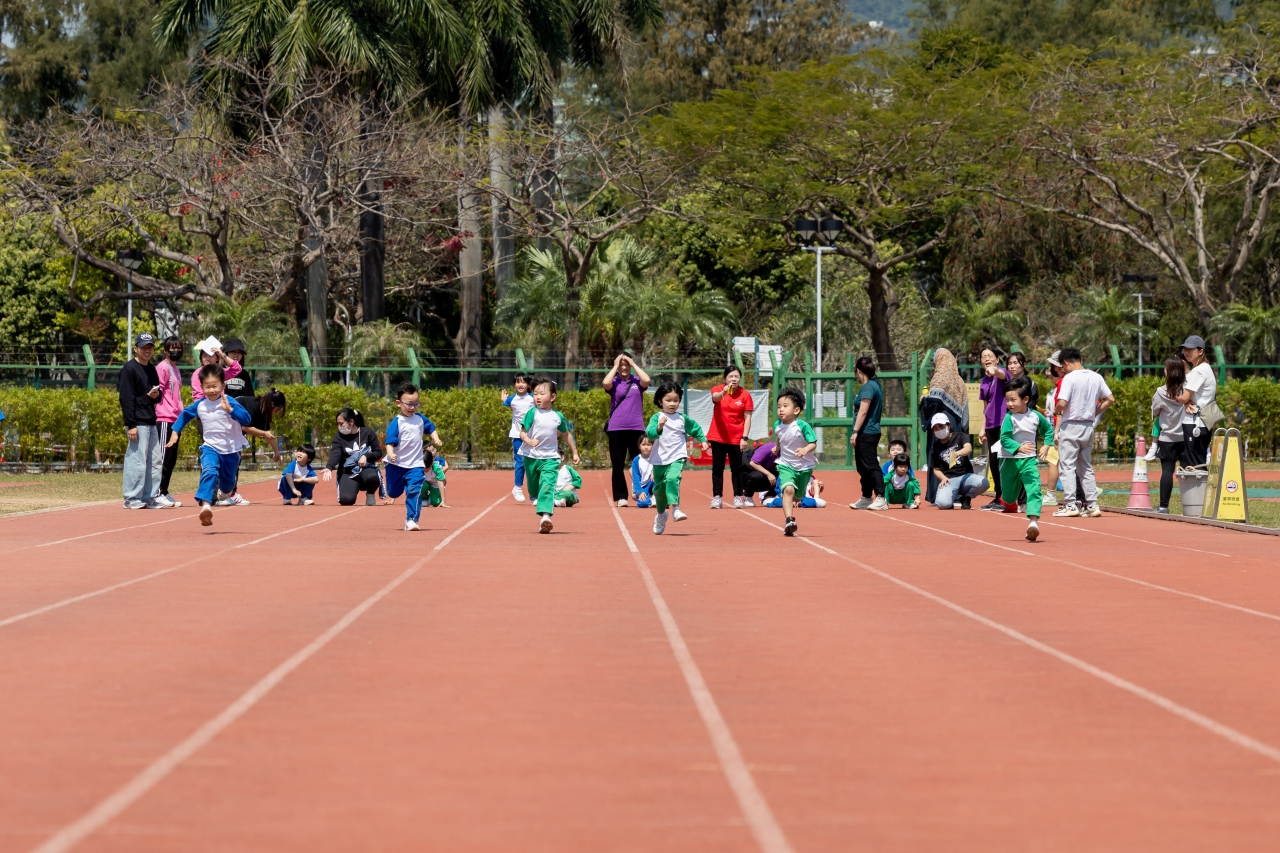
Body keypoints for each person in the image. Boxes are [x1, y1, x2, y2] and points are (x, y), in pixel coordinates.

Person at [166, 364, 253, 526]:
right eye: (207, 387)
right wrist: (175, 431)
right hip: (210, 447)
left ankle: (224, 493)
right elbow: (185, 414)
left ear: (223, 385)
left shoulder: (229, 401)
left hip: (231, 450)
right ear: (202, 387)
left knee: (228, 484)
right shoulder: (200, 405)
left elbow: (247, 419)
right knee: (209, 470)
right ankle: (206, 505)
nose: (211, 390)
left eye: (215, 386)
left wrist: (231, 410)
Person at [1053, 347, 1115, 518]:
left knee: (1067, 466)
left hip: (1071, 425)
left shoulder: (1069, 378)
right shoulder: (1096, 377)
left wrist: (1056, 411)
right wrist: (1094, 412)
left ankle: (1071, 504)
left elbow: (1062, 403)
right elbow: (1110, 399)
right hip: (1088, 426)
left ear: (1065, 363)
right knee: (1085, 466)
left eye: (1062, 366)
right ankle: (1093, 505)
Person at [518, 376, 581, 533]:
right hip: (531, 456)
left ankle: (545, 518)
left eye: (542, 394)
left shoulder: (558, 417)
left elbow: (566, 435)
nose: (537, 397)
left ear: (553, 397)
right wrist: (528, 440)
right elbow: (522, 432)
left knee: (547, 486)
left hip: (551, 458)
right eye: (535, 394)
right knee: (534, 490)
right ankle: (539, 500)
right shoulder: (532, 413)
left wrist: (574, 452)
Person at [646, 381, 709, 534]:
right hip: (659, 459)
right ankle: (661, 515)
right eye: (668, 400)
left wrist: (703, 439)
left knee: (673, 478)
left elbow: (695, 428)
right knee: (659, 491)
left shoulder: (682, 418)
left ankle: (676, 509)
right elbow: (650, 434)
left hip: (677, 456)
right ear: (660, 401)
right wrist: (659, 427)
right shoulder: (657, 417)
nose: (672, 404)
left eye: (675, 400)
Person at [1000, 377, 1054, 541]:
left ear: (1025, 399)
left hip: (1029, 460)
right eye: (1007, 400)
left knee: (1034, 488)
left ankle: (1033, 522)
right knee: (1009, 497)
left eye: (1013, 400)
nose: (1009, 404)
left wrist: (1046, 445)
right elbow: (1004, 438)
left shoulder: (1035, 416)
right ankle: (1010, 499)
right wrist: (1018, 447)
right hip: (1009, 461)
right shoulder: (1009, 418)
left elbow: (1048, 429)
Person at [384, 383, 443, 532]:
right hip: (396, 464)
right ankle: (394, 488)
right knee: (393, 492)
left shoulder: (420, 419)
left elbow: (431, 428)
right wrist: (390, 454)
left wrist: (435, 438)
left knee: (414, 490)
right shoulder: (397, 422)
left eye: (416, 404)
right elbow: (389, 442)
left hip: (416, 464)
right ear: (398, 403)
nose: (412, 407)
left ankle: (411, 520)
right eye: (409, 404)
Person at [118, 332, 166, 510]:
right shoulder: (129, 369)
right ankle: (131, 498)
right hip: (137, 422)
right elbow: (126, 399)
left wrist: (155, 396)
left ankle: (148, 497)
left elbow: (157, 396)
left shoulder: (151, 369)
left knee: (155, 462)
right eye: (144, 347)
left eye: (150, 347)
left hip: (150, 420)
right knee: (137, 461)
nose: (147, 350)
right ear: (136, 348)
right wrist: (131, 424)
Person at [919, 348, 970, 505]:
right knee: (954, 457)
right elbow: (964, 409)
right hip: (954, 426)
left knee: (938, 456)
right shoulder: (959, 381)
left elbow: (933, 403)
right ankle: (957, 494)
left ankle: (937, 494)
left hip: (940, 425)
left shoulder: (940, 376)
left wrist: (923, 400)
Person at [603, 351, 651, 506]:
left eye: (626, 364)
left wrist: (634, 363)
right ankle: (621, 497)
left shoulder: (637, 381)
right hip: (616, 428)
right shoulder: (614, 381)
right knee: (618, 464)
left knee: (641, 462)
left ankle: (642, 492)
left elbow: (647, 380)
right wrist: (615, 365)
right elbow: (605, 383)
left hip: (636, 428)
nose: (624, 367)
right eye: (621, 365)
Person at [708, 365, 755, 508]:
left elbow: (747, 418)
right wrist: (724, 391)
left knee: (737, 468)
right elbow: (715, 398)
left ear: (740, 379)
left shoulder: (745, 395)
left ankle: (737, 496)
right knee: (717, 468)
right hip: (718, 436)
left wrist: (744, 437)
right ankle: (717, 497)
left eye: (736, 376)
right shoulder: (718, 389)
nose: (734, 379)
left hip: (736, 438)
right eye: (731, 376)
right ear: (725, 378)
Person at [772, 387, 818, 536]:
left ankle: (796, 498)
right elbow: (780, 436)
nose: (781, 409)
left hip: (804, 466)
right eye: (779, 406)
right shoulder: (777, 425)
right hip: (786, 464)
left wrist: (805, 449)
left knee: (798, 496)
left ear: (796, 410)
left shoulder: (802, 426)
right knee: (788, 490)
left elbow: (813, 443)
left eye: (785, 406)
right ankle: (789, 520)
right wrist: (777, 447)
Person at [322, 408, 384, 506]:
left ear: (351, 422)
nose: (339, 427)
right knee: (346, 500)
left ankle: (370, 493)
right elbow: (336, 453)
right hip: (347, 472)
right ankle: (352, 486)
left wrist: (366, 456)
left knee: (372, 477)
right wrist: (329, 467)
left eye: (341, 424)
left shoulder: (367, 432)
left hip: (366, 469)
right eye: (337, 424)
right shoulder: (338, 437)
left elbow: (378, 452)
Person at [848, 356, 887, 511]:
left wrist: (855, 431)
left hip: (867, 432)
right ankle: (866, 497)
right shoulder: (874, 384)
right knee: (862, 467)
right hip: (866, 432)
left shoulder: (869, 386)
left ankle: (881, 497)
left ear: (858, 371)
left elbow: (863, 411)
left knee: (870, 465)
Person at [1151, 357, 1188, 515]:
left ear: (1169, 372)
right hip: (1186, 437)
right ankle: (1191, 507)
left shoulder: (1160, 392)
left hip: (1167, 438)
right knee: (1188, 473)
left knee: (1167, 471)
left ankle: (1163, 507)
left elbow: (1155, 411)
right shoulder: (1188, 390)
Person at [930, 413, 988, 510]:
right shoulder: (935, 447)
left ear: (948, 425)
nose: (939, 430)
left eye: (941, 426)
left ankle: (967, 497)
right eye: (935, 428)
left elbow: (968, 449)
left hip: (966, 476)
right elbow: (936, 469)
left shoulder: (960, 436)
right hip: (950, 479)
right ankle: (950, 498)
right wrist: (943, 478)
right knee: (943, 504)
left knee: (983, 482)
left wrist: (956, 453)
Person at [153, 336, 185, 507]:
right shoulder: (163, 367)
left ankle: (164, 491)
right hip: (164, 417)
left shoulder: (175, 369)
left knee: (171, 459)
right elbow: (157, 391)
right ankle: (157, 492)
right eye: (172, 348)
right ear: (165, 351)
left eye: (179, 348)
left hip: (176, 419)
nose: (176, 351)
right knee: (163, 458)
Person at [977, 347, 1010, 511]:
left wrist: (994, 370)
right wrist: (982, 429)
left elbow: (1001, 374)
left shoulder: (1002, 373)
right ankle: (998, 496)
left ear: (997, 359)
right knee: (994, 461)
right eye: (984, 357)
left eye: (990, 356)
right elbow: (986, 407)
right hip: (990, 425)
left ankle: (1008, 497)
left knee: (1004, 459)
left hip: (1003, 423)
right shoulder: (984, 381)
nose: (987, 359)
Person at [1178, 335, 1217, 468]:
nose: (1186, 352)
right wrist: (1186, 401)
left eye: (1190, 349)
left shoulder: (1198, 371)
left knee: (1194, 465)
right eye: (1185, 349)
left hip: (1195, 422)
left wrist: (1178, 398)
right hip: (1204, 420)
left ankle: (1198, 483)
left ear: (1201, 351)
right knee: (1199, 462)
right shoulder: (1206, 368)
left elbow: (1184, 397)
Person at [502, 373, 536, 502]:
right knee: (520, 462)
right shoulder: (511, 399)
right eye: (517, 382)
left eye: (523, 382)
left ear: (528, 385)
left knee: (532, 464)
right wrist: (503, 400)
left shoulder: (533, 398)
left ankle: (534, 493)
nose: (520, 385)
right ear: (514, 385)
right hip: (517, 436)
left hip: (532, 437)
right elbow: (507, 403)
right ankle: (517, 487)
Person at [632, 435, 655, 508]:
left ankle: (655, 496)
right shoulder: (636, 460)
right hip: (643, 486)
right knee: (643, 504)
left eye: (649, 445)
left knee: (659, 478)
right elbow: (636, 478)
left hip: (653, 483)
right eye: (643, 445)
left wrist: (655, 472)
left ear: (652, 446)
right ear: (639, 446)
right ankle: (650, 498)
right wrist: (639, 492)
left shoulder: (656, 458)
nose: (646, 447)